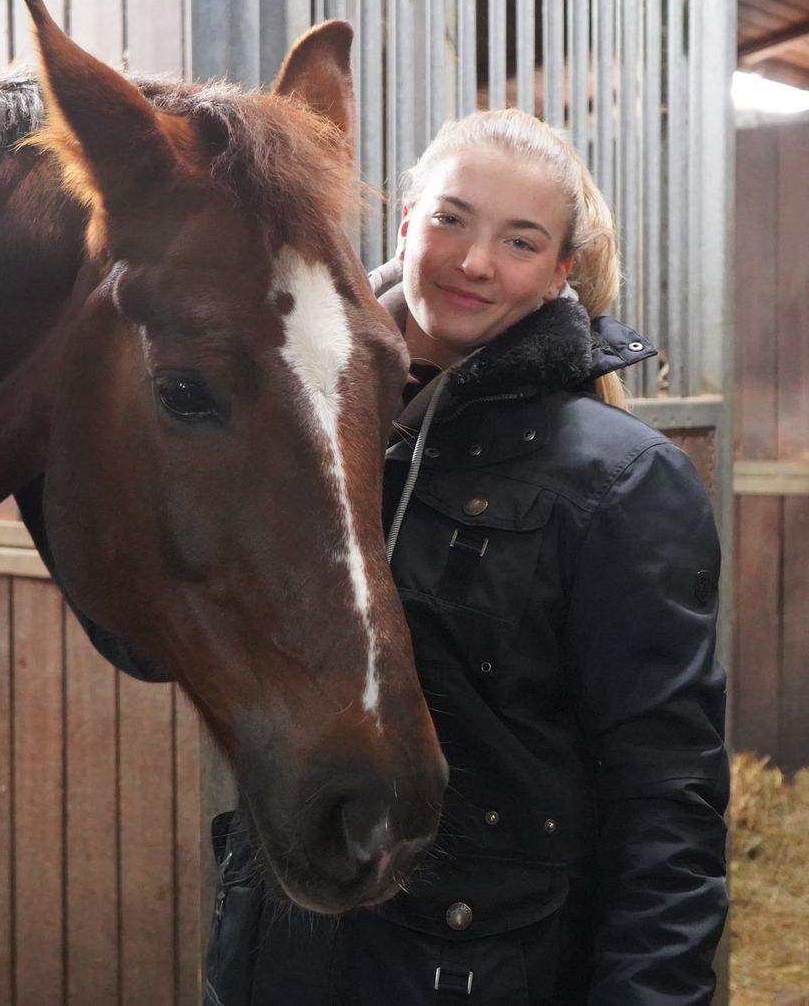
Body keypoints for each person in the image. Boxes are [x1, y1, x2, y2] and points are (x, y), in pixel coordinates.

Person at [204, 108, 729, 1004]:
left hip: (477, 969)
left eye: (520, 241)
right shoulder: (297, 432)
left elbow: (667, 796)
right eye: (451, 218)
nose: (475, 261)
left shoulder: (624, 482)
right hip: (278, 953)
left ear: (562, 272)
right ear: (406, 222)